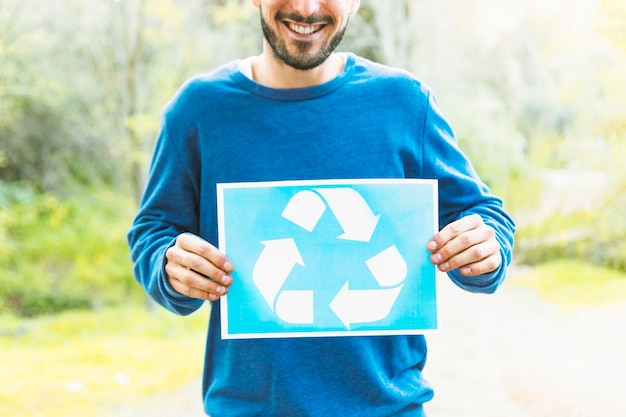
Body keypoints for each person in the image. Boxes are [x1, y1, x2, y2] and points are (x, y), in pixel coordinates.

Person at [127, 0, 516, 415]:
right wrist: (168, 264)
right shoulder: (199, 110)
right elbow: (154, 228)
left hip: (387, 408)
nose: (306, 7)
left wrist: (483, 245)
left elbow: (481, 212)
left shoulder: (404, 103)